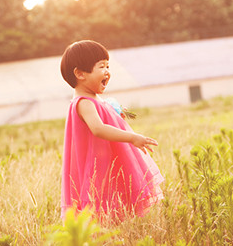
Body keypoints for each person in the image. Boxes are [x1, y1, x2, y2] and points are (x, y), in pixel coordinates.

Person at [59, 40, 164, 220]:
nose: (107, 71)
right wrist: (132, 137)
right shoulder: (83, 102)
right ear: (80, 73)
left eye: (108, 66)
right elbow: (98, 129)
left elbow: (107, 121)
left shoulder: (97, 100)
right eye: (101, 66)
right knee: (99, 204)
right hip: (96, 164)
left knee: (116, 201)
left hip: (109, 160)